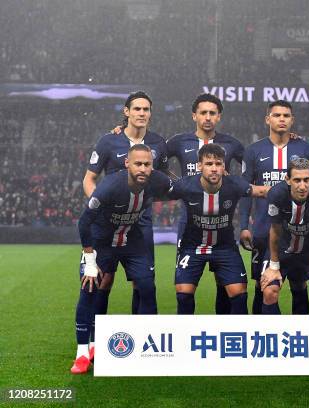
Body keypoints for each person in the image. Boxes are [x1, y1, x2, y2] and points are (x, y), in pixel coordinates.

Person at [82, 91, 168, 359]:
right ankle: (96, 342)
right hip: (110, 222)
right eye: (137, 109)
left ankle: (140, 343)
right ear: (127, 111)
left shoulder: (158, 144)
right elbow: (89, 179)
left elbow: (162, 179)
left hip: (140, 223)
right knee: (103, 281)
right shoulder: (109, 141)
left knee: (142, 282)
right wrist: (101, 204)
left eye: (146, 109)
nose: (142, 113)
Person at [72, 144, 171, 374]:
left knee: (147, 285)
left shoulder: (157, 180)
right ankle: (82, 352)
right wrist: (89, 258)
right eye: (138, 163)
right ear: (127, 163)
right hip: (101, 242)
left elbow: (182, 188)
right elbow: (84, 222)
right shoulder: (108, 187)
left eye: (147, 164)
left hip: (131, 241)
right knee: (89, 287)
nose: (143, 168)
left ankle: (148, 349)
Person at [166, 93, 244, 315]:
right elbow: (154, 157)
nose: (207, 117)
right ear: (194, 116)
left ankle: (223, 332)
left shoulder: (231, 144)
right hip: (190, 223)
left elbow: (253, 166)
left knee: (225, 282)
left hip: (222, 223)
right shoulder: (179, 142)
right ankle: (188, 336)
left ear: (219, 116)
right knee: (185, 286)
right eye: (203, 113)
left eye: (212, 113)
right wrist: (177, 182)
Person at [168, 144, 269, 315]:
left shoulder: (235, 184)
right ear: (199, 166)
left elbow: (262, 191)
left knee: (239, 294)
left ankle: (236, 337)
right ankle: (183, 337)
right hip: (192, 247)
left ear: (224, 166)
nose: (214, 169)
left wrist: (293, 189)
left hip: (224, 247)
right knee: (184, 294)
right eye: (209, 164)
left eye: (218, 164)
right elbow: (155, 193)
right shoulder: (185, 185)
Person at [239, 100, 309, 314]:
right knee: (262, 284)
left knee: (299, 285)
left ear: (292, 120)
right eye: (276, 115)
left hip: (298, 232)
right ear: (268, 119)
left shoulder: (306, 150)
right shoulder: (254, 151)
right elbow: (246, 192)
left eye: (286, 115)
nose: (281, 119)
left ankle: (300, 338)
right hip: (264, 230)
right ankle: (261, 336)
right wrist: (244, 225)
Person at [260, 158, 309, 314]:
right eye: (297, 180)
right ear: (287, 180)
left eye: (306, 180)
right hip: (281, 252)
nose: (302, 186)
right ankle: (273, 337)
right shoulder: (276, 194)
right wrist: (274, 266)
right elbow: (275, 230)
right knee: (269, 292)